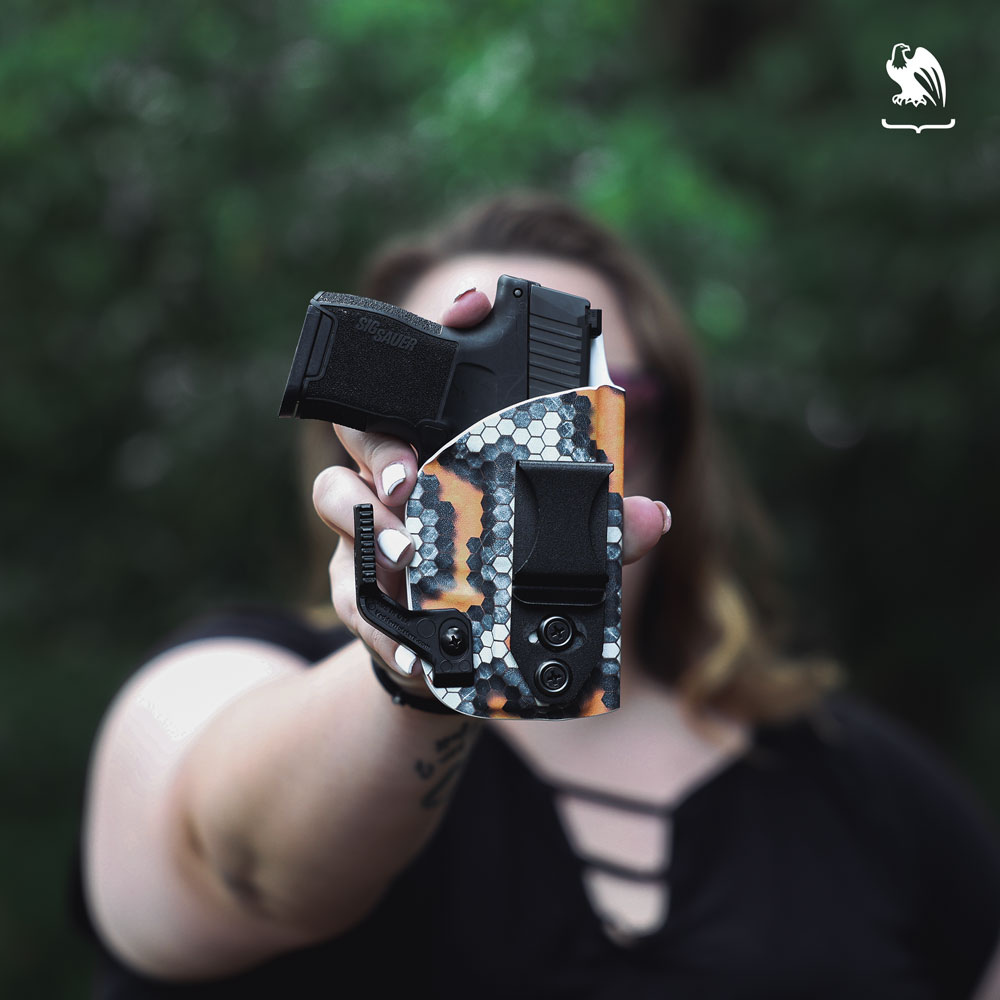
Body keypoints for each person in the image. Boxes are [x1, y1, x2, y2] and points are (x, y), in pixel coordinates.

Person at [76, 190, 1000, 998]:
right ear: (369, 448)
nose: (532, 442)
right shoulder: (221, 679)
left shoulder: (857, 782)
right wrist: (430, 651)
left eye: (606, 399)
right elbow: (251, 865)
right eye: (471, 397)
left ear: (668, 442)